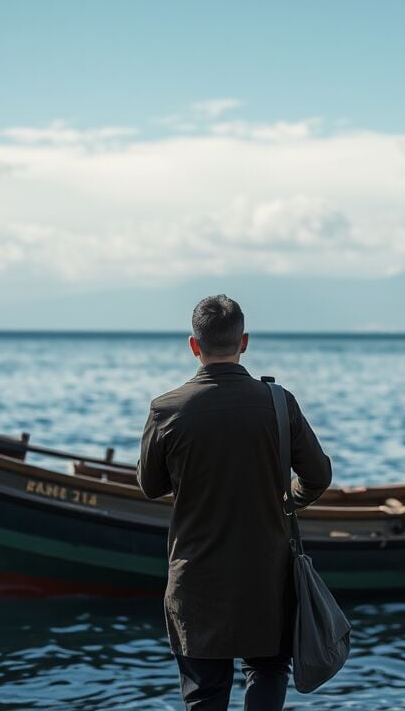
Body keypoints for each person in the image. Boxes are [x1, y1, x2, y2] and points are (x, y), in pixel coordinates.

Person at [138, 294, 333, 711]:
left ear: (194, 345)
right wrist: (288, 500)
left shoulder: (166, 410)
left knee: (204, 694)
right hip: (266, 578)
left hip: (196, 581)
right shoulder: (279, 403)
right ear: (244, 341)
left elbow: (150, 486)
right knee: (266, 672)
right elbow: (319, 476)